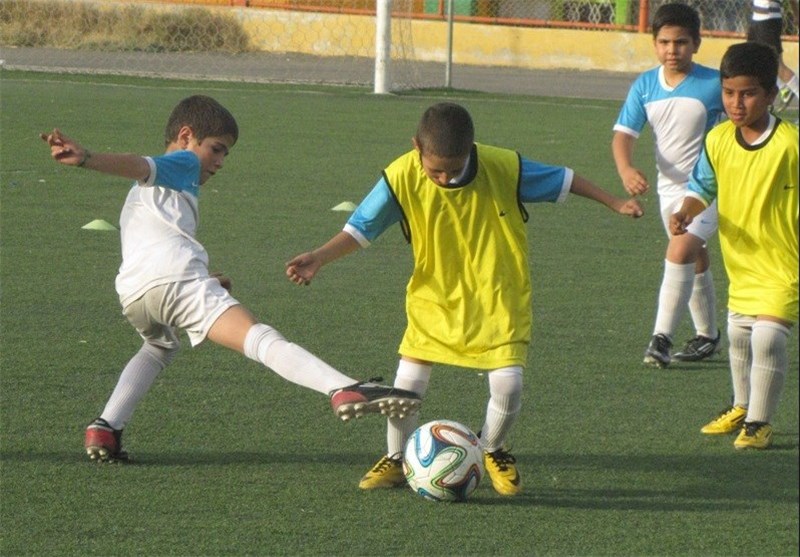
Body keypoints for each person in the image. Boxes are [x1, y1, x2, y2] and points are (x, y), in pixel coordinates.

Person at [285, 102, 644, 495]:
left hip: (499, 297)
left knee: (508, 385)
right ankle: (398, 459)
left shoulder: (503, 166)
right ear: (416, 148)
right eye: (434, 168)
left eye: (453, 169)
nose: (442, 176)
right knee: (405, 389)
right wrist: (319, 256)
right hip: (435, 296)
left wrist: (614, 202)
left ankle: (492, 446)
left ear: (471, 149)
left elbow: (566, 179)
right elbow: (361, 228)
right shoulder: (402, 174)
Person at [40, 95, 421, 463]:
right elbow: (140, 164)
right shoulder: (183, 162)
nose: (220, 161)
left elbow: (156, 242)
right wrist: (86, 158)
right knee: (260, 339)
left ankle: (106, 426)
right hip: (175, 283)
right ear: (187, 136)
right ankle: (342, 388)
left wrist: (202, 279)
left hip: (135, 293)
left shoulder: (144, 197)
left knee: (158, 347)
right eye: (217, 149)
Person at [670, 42, 798, 450]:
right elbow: (702, 187)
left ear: (771, 95)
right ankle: (742, 406)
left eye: (748, 93)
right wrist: (687, 210)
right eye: (729, 93)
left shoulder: (791, 145)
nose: (736, 103)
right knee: (740, 337)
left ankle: (760, 422)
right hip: (743, 262)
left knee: (768, 338)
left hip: (785, 262)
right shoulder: (718, 139)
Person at [612, 3, 725, 368]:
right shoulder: (645, 85)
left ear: (697, 43)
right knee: (693, 256)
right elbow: (623, 135)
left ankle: (660, 339)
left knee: (680, 252)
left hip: (710, 189)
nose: (671, 50)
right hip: (669, 189)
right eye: (663, 42)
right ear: (654, 43)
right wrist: (627, 168)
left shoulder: (715, 84)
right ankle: (708, 336)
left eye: (680, 42)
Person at [747, 0, 799, 112]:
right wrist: (796, 14)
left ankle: (786, 89)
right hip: (758, 19)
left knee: (777, 64)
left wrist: (796, 13)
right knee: (754, 58)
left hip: (767, 19)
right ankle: (783, 88)